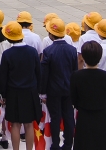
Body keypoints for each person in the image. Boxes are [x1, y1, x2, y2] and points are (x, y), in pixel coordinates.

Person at [0, 21, 41, 150]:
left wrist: (3, 95)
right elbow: (39, 73)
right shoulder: (32, 52)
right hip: (30, 91)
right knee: (29, 124)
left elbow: (3, 77)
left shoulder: (7, 54)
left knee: (15, 124)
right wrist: (38, 90)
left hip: (13, 92)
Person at [40, 18, 76, 150]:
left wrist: (43, 92)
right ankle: (68, 144)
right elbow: (74, 71)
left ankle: (55, 144)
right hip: (68, 89)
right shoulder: (72, 50)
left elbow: (45, 74)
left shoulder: (48, 51)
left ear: (51, 34)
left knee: (55, 117)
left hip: (53, 90)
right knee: (68, 116)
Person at [70, 41, 106, 150]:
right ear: (100, 56)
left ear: (83, 57)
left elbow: (73, 99)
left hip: (84, 116)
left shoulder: (76, 76)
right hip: (102, 115)